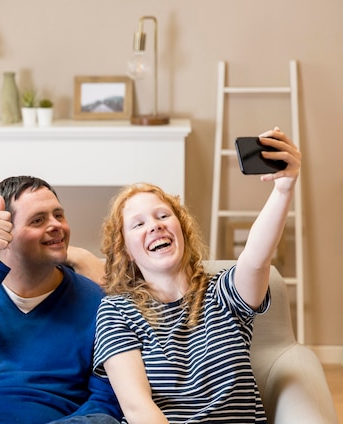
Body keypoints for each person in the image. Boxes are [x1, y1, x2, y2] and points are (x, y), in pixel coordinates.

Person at [91, 127, 301, 423]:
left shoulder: (225, 293)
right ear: (124, 249)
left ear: (182, 230)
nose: (155, 225)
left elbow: (256, 258)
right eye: (138, 224)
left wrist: (283, 189)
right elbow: (138, 407)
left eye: (163, 216)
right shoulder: (116, 312)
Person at [0, 176, 122, 423]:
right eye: (38, 220)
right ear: (2, 234)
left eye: (59, 215)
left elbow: (106, 400)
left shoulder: (98, 301)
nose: (56, 226)